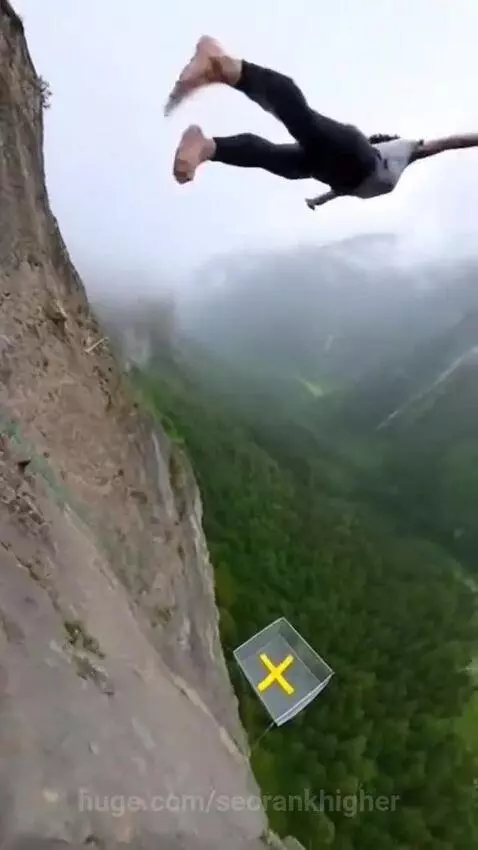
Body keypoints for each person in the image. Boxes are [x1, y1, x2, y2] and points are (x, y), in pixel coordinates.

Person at [165, 36, 478, 209]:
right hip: (354, 158)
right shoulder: (406, 151)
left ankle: (207, 147)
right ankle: (224, 65)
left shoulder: (357, 180)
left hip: (329, 172)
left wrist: (318, 201)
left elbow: (338, 193)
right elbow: (449, 143)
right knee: (305, 124)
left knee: (277, 160)